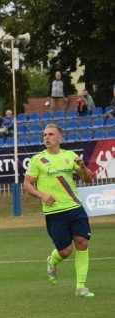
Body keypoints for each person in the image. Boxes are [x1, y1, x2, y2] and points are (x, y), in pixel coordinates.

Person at [23, 124, 94, 297]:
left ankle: (81, 287)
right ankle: (52, 262)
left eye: (51, 134)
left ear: (60, 138)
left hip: (75, 207)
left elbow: (88, 179)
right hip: (54, 212)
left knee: (82, 242)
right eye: (45, 135)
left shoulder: (70, 157)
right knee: (65, 251)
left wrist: (83, 166)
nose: (47, 137)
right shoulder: (38, 160)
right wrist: (42, 196)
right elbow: (27, 184)